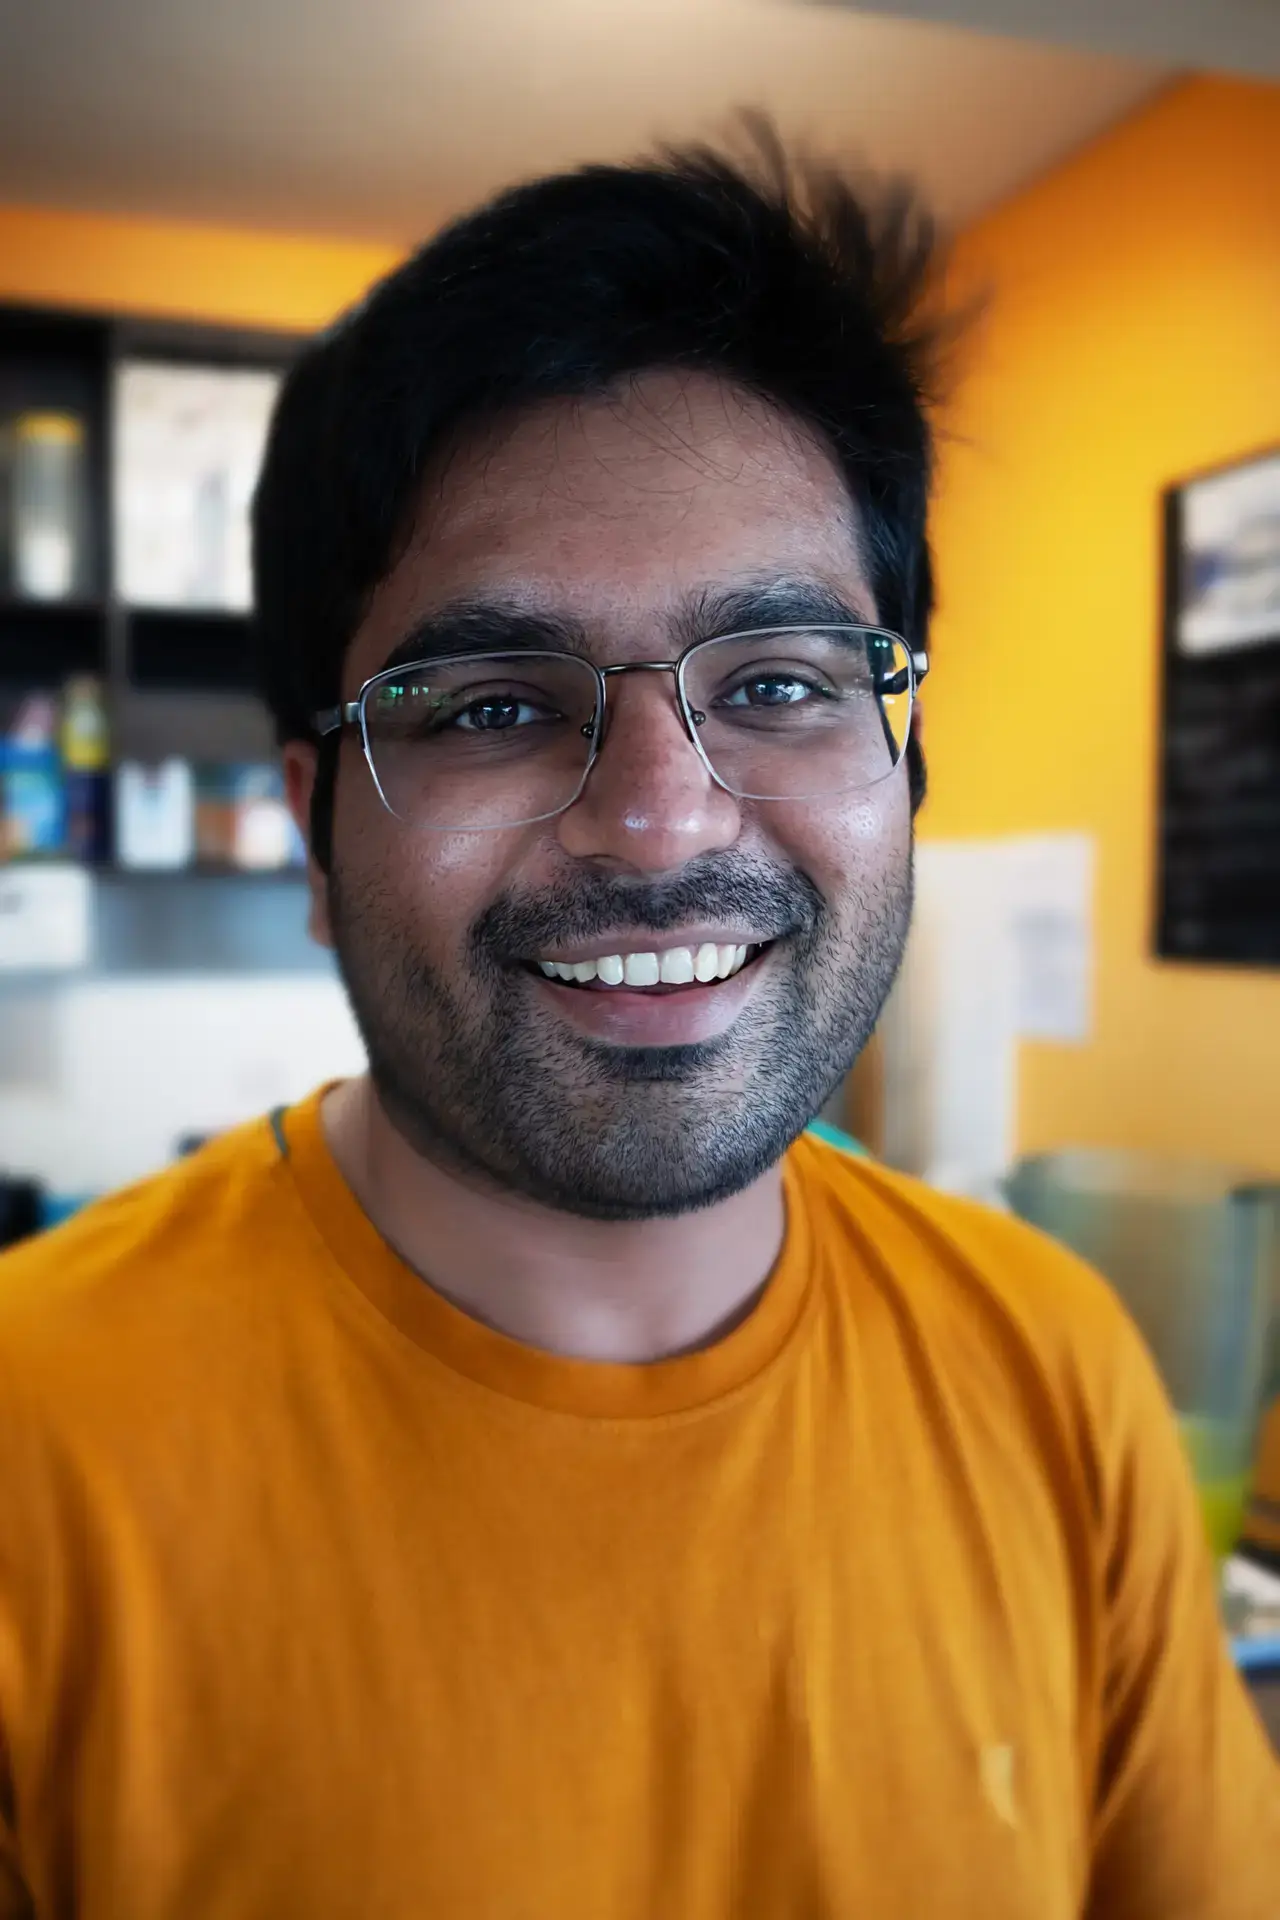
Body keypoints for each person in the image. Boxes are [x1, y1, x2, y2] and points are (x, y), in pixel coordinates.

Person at [0, 135, 1275, 1920]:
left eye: (776, 684)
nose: (664, 821)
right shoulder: (31, 1443)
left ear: (903, 761)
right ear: (313, 826)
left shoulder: (1056, 1375)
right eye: (494, 704)